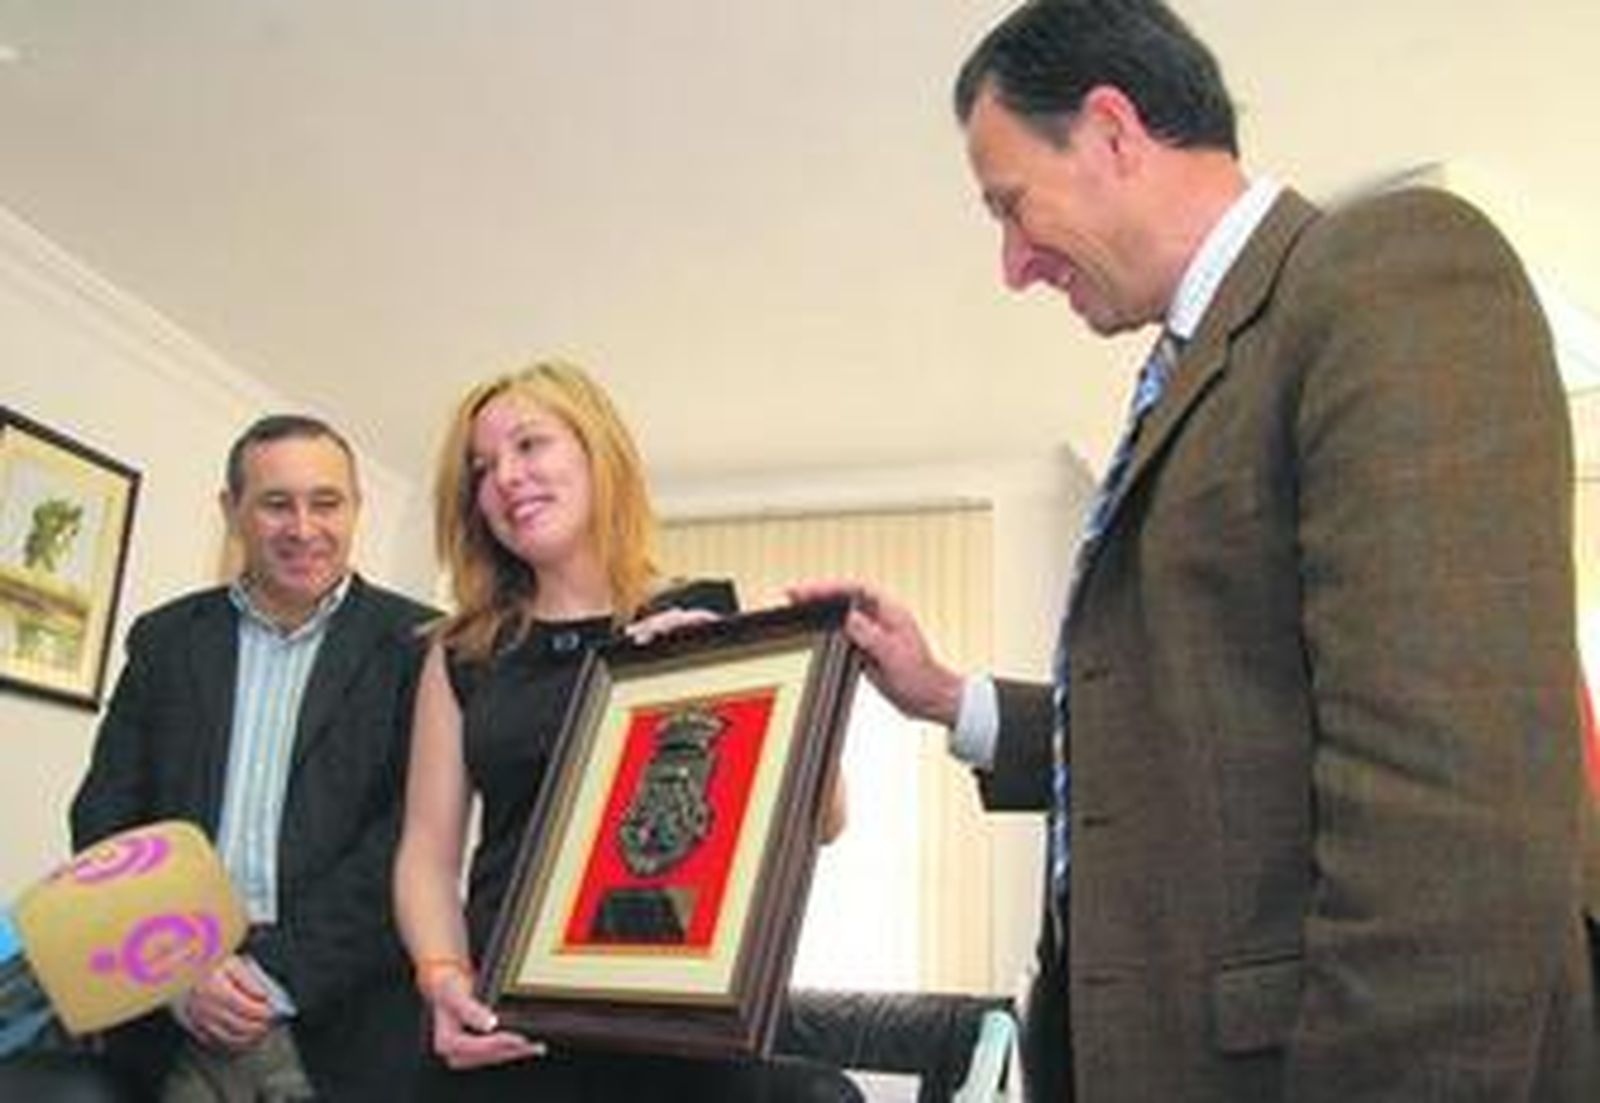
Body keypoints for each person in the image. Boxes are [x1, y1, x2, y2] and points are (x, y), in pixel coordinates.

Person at [795, 1, 1599, 1099]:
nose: (1012, 264)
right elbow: (1212, 722)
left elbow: (1453, 823)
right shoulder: (1189, 364)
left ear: (1113, 131)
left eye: (1009, 205)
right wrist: (949, 697)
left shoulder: (1385, 269)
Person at [393, 361, 854, 1103]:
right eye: (482, 469)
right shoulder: (460, 653)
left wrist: (739, 670)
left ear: (596, 450)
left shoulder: (711, 613)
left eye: (529, 444)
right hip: (503, 1028)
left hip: (674, 1025)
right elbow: (426, 850)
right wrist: (442, 976)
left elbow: (824, 819)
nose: (506, 477)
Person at [70, 415, 436, 1101]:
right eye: (275, 503)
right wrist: (181, 971)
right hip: (174, 1019)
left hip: (344, 1026)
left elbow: (412, 836)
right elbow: (106, 818)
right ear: (231, 509)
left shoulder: (423, 644)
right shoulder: (165, 640)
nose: (303, 527)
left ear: (356, 507)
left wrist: (270, 976)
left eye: (326, 502)